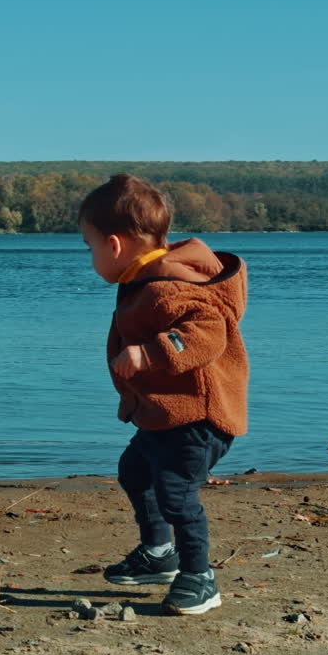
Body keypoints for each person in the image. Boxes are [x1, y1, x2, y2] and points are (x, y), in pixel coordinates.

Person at [78, 174, 249, 615]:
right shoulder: (145, 279)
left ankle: (200, 577)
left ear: (114, 245)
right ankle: (159, 554)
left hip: (198, 418)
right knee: (134, 471)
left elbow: (208, 334)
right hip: (166, 414)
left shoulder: (168, 287)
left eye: (90, 247)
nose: (91, 257)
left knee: (176, 492)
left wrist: (150, 352)